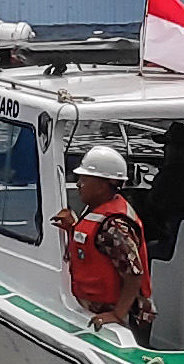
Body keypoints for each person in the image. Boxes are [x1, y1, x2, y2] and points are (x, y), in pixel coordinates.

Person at [62, 144, 152, 340]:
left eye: (84, 180)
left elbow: (134, 274)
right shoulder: (97, 210)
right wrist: (72, 228)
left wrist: (117, 315)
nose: (78, 184)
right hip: (92, 307)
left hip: (122, 317)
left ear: (101, 187)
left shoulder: (115, 227)